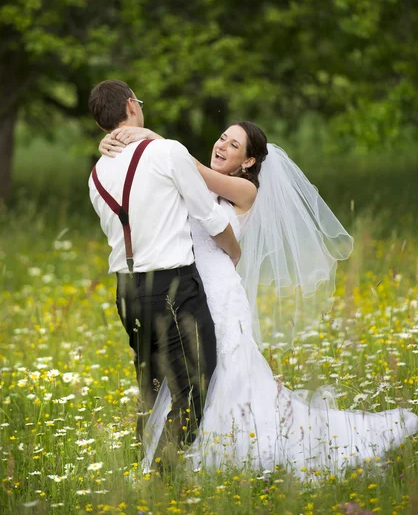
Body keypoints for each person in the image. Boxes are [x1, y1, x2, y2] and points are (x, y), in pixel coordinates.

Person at [99, 121, 418, 477]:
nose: (221, 145)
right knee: (184, 372)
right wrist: (120, 147)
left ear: (248, 161)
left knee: (224, 372)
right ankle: (176, 454)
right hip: (183, 291)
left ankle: (226, 451)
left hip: (218, 294)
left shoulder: (243, 191)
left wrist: (151, 138)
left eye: (232, 145)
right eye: (221, 137)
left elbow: (191, 166)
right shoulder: (190, 184)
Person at [88, 79, 241, 458]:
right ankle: (163, 477)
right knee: (197, 384)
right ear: (130, 105)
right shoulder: (166, 152)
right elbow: (209, 216)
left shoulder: (96, 175)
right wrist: (233, 256)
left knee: (151, 389)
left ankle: (139, 467)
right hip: (173, 287)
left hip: (126, 291)